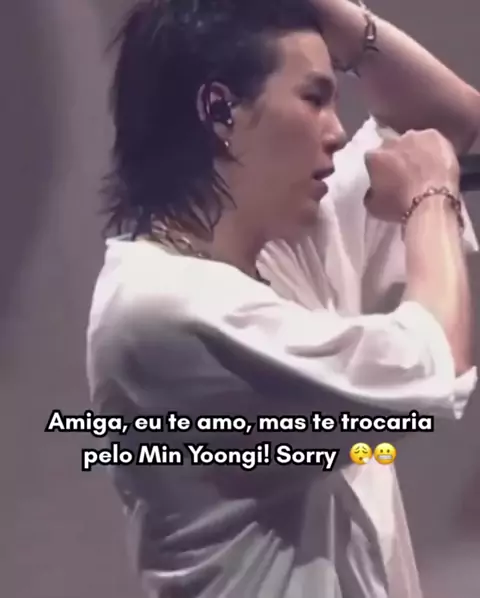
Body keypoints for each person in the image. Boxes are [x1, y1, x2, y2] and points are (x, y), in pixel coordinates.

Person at [86, 0, 480, 596]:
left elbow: (449, 121)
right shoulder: (161, 307)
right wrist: (430, 198)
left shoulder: (276, 249)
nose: (338, 132)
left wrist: (333, 14)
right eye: (314, 98)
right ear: (220, 109)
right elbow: (433, 364)